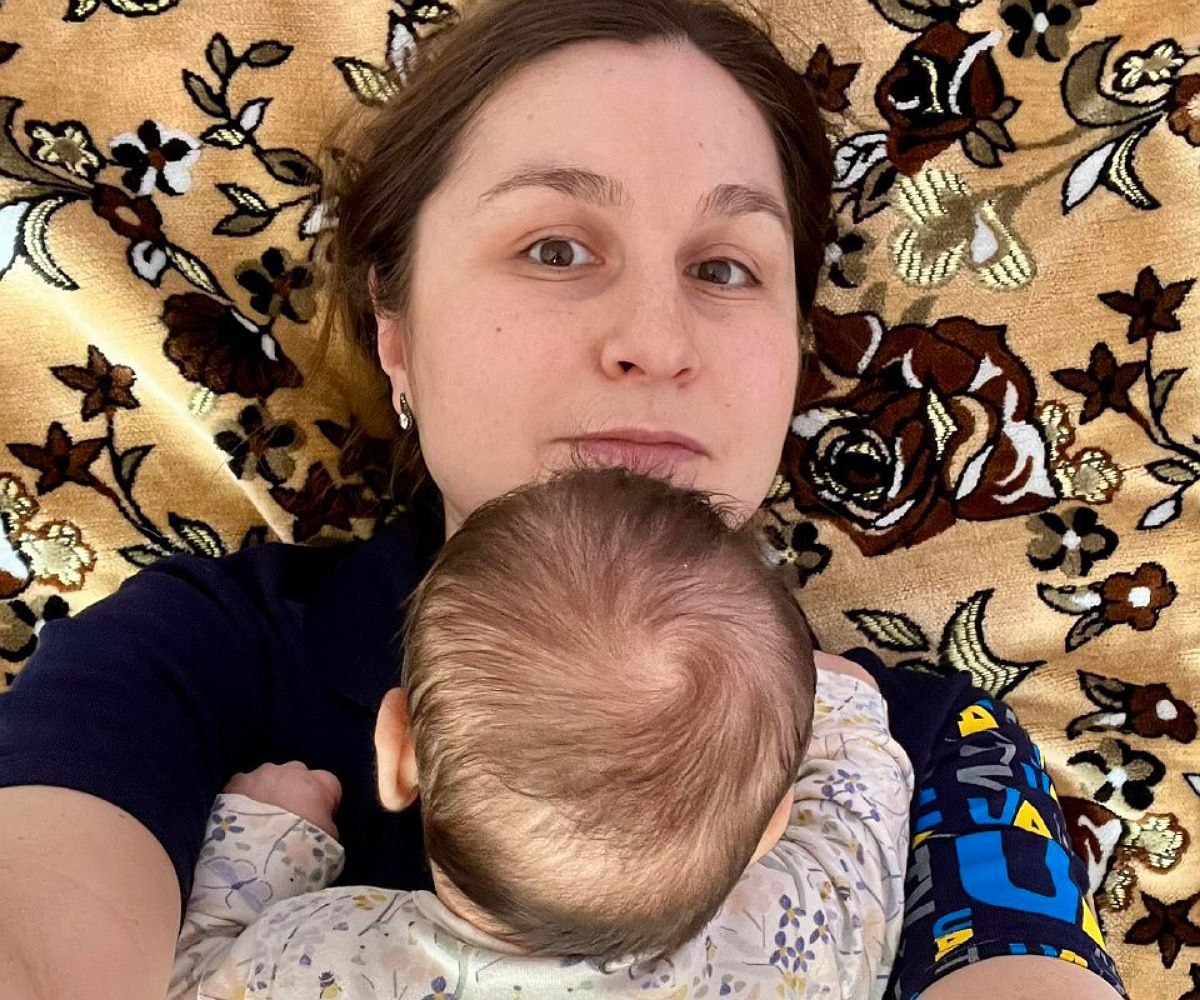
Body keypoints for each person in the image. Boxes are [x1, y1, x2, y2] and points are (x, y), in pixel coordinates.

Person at [0, 1, 1125, 998]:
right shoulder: (190, 660)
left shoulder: (932, 749)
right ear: (395, 324)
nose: (655, 340)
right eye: (554, 248)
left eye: (724, 268)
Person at [167, 466, 914, 998]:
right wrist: (839, 699)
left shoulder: (319, 959)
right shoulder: (796, 946)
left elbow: (187, 979)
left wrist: (269, 836)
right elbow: (860, 819)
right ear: (771, 826)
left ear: (398, 754)